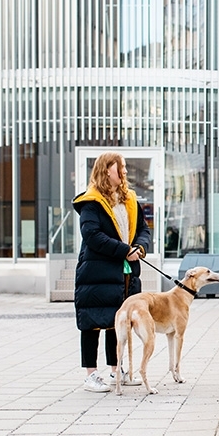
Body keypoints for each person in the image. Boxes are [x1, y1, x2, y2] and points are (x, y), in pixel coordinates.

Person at [73, 152, 152, 392]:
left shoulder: (129, 199)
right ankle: (90, 375)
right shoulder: (91, 202)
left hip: (124, 273)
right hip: (95, 273)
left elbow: (143, 230)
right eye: (122, 167)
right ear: (107, 169)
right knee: (91, 322)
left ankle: (117, 370)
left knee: (117, 321)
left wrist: (139, 248)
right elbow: (92, 236)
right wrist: (124, 250)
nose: (125, 171)